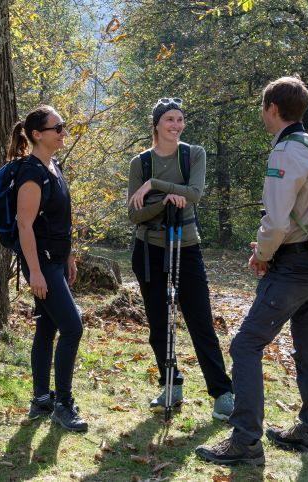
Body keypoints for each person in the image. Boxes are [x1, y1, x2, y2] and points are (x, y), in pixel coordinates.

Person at [196, 76, 308, 466]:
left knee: (245, 345)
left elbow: (276, 222)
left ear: (272, 109)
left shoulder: (286, 152)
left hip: (294, 264)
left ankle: (245, 441)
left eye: (262, 109)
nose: (262, 115)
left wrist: (263, 254)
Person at [127, 98, 234, 421]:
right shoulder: (140, 162)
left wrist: (155, 187)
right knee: (159, 323)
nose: (176, 125)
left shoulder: (193, 154)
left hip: (186, 246)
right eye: (169, 119)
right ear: (157, 124)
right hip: (148, 249)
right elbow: (135, 213)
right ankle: (170, 385)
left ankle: (223, 393)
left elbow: (195, 195)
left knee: (200, 321)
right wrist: (165, 202)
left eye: (180, 119)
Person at [8, 105, 87, 432]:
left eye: (63, 126)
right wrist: (35, 273)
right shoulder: (30, 172)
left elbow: (59, 219)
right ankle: (63, 405)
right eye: (58, 127)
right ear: (38, 135)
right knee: (73, 327)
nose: (63, 131)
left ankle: (42, 398)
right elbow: (24, 225)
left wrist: (68, 255)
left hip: (56, 259)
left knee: (46, 327)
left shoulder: (53, 166)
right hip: (41, 264)